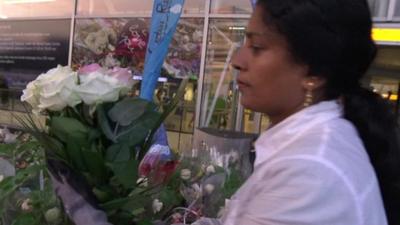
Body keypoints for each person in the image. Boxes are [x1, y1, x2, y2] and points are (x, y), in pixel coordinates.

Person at [192, 0, 400, 225]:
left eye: (258, 47)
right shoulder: (310, 146)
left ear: (315, 74)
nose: (237, 61)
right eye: (245, 43)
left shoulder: (310, 170)